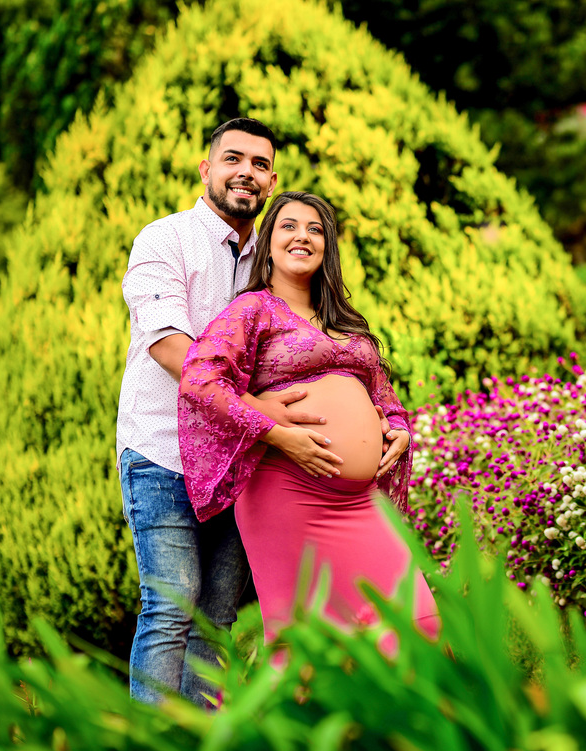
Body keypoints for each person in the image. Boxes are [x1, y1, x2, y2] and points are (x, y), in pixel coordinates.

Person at [117, 119, 345, 705]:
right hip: (163, 453)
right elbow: (171, 347)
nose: (246, 171)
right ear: (207, 169)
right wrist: (259, 412)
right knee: (170, 606)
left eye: (260, 164)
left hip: (238, 464)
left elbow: (312, 345)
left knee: (215, 619)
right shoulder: (163, 240)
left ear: (272, 180)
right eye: (233, 159)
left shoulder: (271, 259)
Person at [177, 190, 440, 652]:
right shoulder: (252, 310)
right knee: (309, 642)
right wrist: (277, 433)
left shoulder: (345, 322)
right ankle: (298, 724)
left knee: (419, 622)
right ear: (269, 243)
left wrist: (399, 430)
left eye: (315, 229)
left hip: (361, 502)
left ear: (327, 246)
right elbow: (200, 381)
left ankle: (399, 724)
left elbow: (387, 402)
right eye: (289, 226)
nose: (303, 236)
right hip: (287, 492)